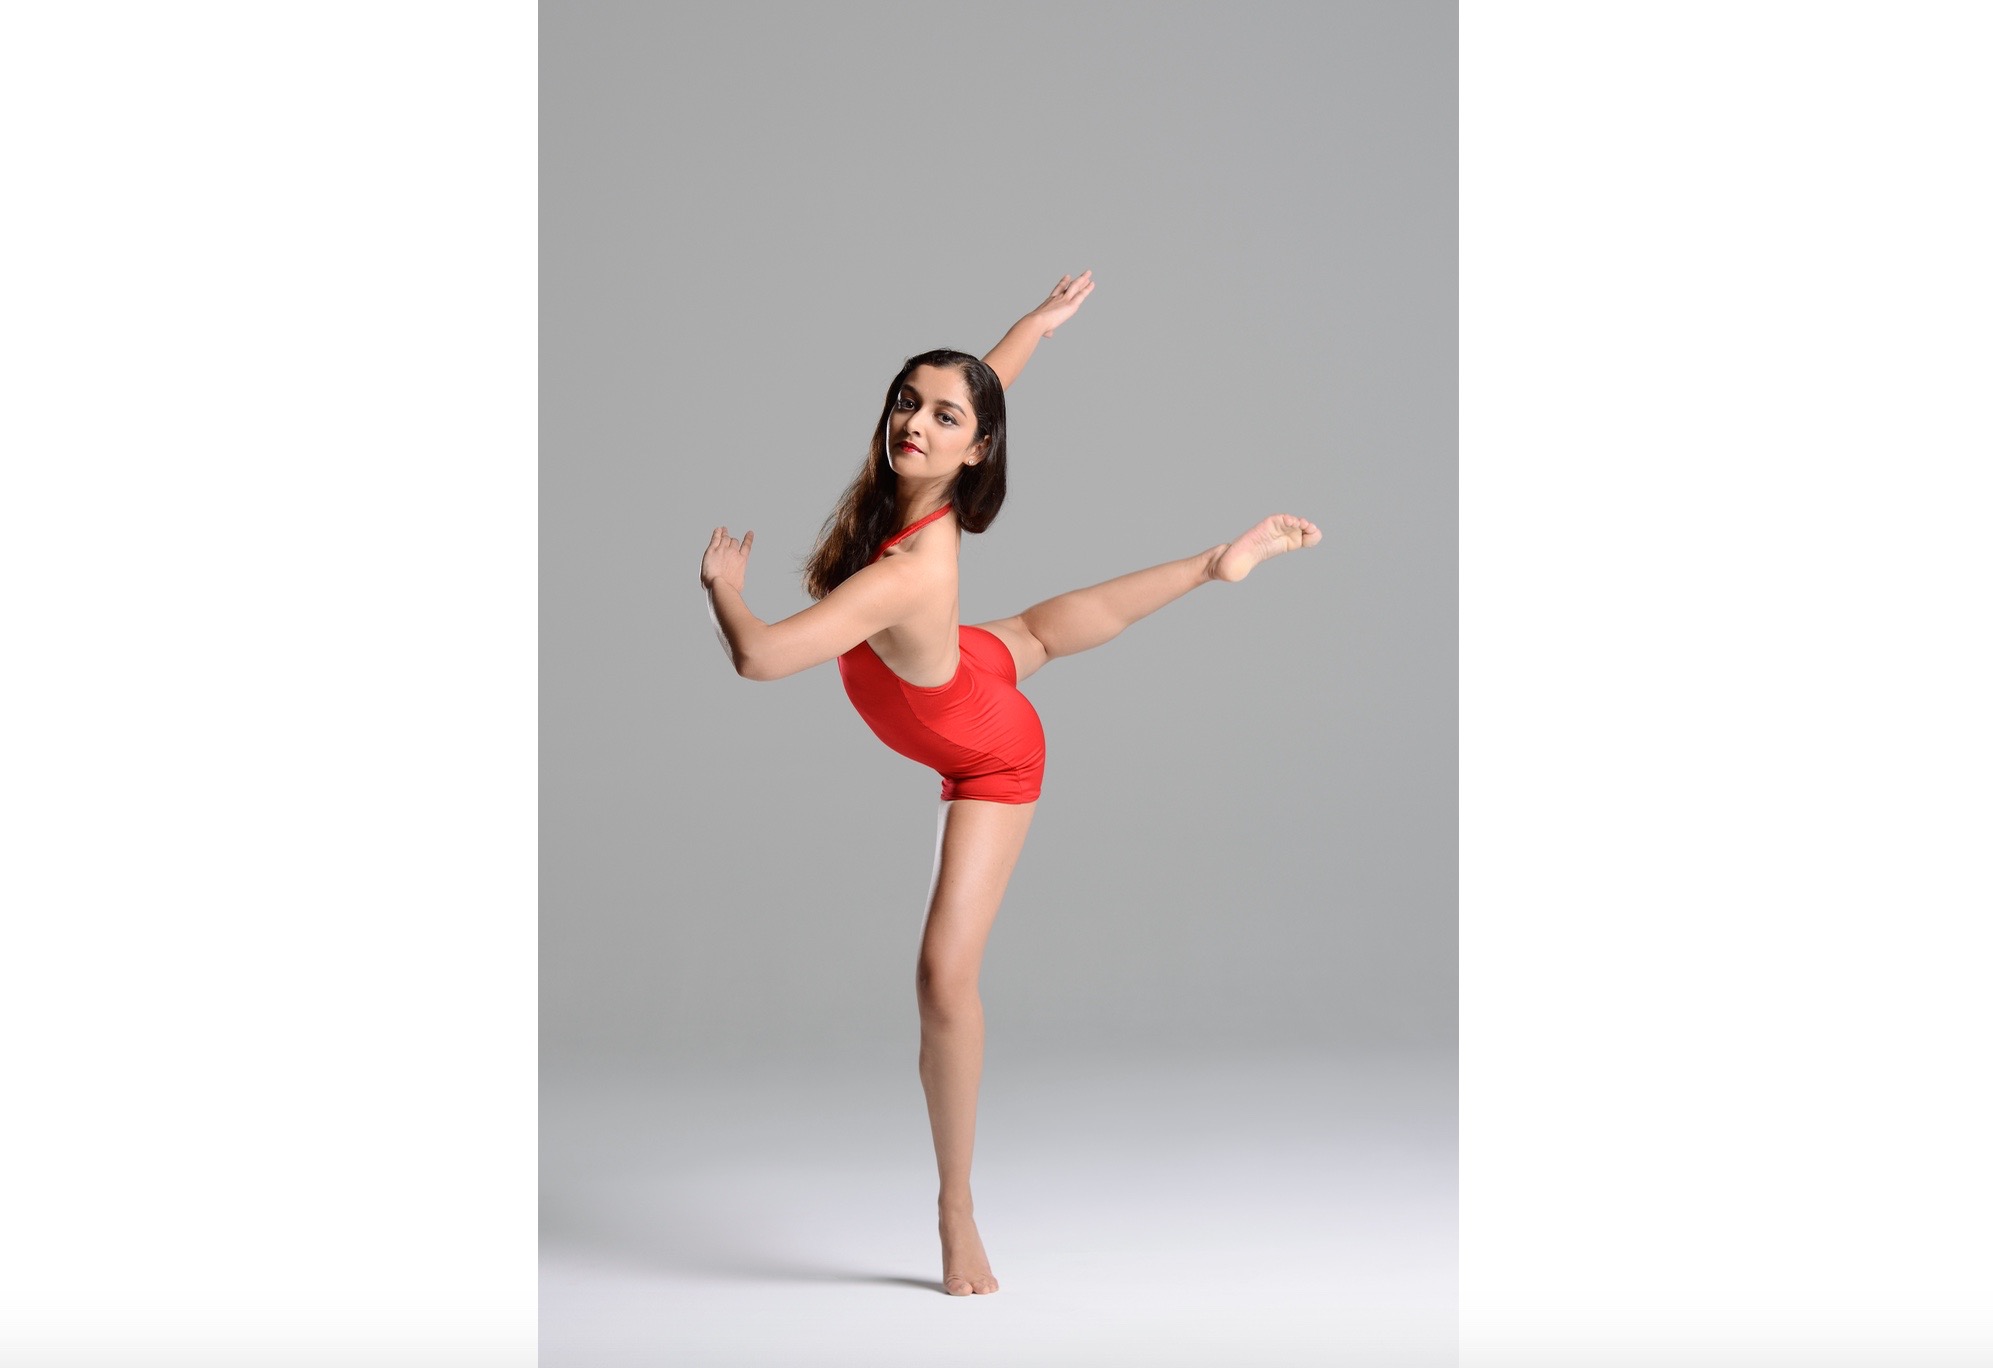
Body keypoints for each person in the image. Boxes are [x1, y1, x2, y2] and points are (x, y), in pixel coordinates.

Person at [699, 273, 1321, 1296]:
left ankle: (956, 1212)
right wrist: (1030, 329)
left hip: (983, 747)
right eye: (908, 400)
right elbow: (981, 391)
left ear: (973, 451)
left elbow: (761, 659)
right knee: (1030, 633)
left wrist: (727, 593)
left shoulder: (908, 566)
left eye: (944, 418)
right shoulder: (905, 493)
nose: (917, 422)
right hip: (961, 668)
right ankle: (1218, 564)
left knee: (943, 979)